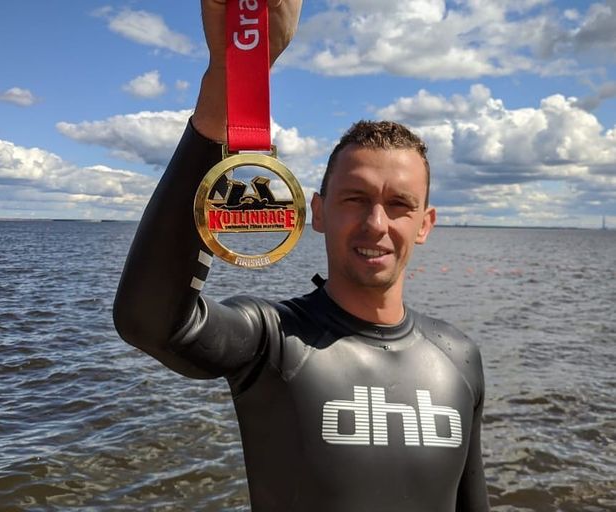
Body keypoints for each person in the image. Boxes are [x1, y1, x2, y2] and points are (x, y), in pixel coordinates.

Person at [113, 1, 490, 510]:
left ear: (425, 223)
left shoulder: (459, 355)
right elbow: (149, 322)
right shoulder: (273, 340)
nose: (376, 223)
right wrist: (229, 73)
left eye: (400, 205)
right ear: (318, 211)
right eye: (354, 199)